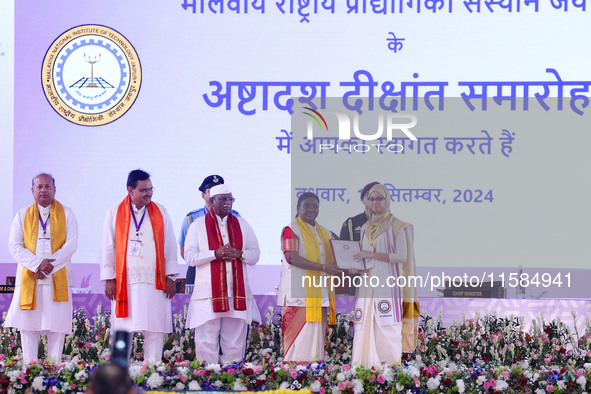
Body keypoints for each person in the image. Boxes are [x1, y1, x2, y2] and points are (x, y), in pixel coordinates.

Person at [100, 169, 179, 363]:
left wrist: (171, 277)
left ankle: (152, 371)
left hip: (155, 282)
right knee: (124, 330)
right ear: (130, 190)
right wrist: (109, 278)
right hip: (125, 283)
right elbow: (107, 246)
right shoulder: (114, 212)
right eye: (144, 190)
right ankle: (119, 372)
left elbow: (170, 245)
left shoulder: (161, 211)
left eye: (151, 189)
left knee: (155, 329)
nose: (149, 193)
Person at [4, 173, 78, 364]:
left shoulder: (68, 213)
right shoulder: (21, 215)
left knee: (57, 326)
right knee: (28, 325)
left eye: (47, 186)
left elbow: (71, 245)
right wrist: (37, 264)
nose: (44, 190)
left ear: (55, 189)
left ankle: (54, 368)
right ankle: (30, 369)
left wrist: (48, 267)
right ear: (32, 190)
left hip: (57, 276)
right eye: (40, 187)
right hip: (31, 277)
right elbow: (14, 246)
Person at [184, 184, 260, 364]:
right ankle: (206, 380)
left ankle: (231, 382)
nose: (228, 203)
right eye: (223, 199)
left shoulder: (242, 224)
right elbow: (189, 257)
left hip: (236, 293)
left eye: (230, 199)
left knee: (235, 342)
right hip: (208, 295)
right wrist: (214, 254)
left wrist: (240, 254)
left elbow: (255, 254)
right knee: (206, 341)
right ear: (211, 201)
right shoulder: (198, 225)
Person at [351, 183, 419, 367]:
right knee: (365, 325)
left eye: (379, 198)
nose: (375, 202)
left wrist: (371, 255)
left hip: (388, 284)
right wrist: (355, 266)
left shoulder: (399, 226)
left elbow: (401, 256)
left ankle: (388, 369)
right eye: (371, 199)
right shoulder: (365, 226)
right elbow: (364, 258)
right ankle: (364, 367)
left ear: (387, 199)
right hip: (367, 284)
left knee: (387, 325)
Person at [277, 192, 343, 362]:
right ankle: (295, 374)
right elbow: (291, 257)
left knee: (316, 338)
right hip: (297, 295)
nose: (311, 209)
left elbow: (342, 251)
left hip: (319, 294)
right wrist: (323, 267)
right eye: (307, 206)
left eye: (315, 206)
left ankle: (314, 374)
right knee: (299, 339)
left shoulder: (326, 232)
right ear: (298, 208)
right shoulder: (291, 229)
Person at [178, 175, 240, 286]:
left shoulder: (235, 217)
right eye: (211, 191)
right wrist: (209, 259)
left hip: (227, 269)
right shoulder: (192, 218)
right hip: (199, 270)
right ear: (204, 195)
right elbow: (184, 250)